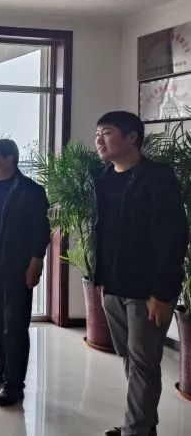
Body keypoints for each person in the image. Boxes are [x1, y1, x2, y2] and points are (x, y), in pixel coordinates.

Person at [93, 112, 187, 436]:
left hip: (147, 291)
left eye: (107, 132)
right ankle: (143, 425)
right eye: (97, 133)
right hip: (112, 286)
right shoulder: (104, 178)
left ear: (132, 137)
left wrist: (162, 293)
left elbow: (172, 238)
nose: (99, 140)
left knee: (143, 363)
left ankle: (135, 430)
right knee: (129, 359)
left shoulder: (158, 179)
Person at [0, 139, 50, 407]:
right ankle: (0, 367)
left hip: (18, 267)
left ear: (9, 158)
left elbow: (40, 230)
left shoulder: (30, 191)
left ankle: (14, 385)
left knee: (14, 326)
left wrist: (36, 262)